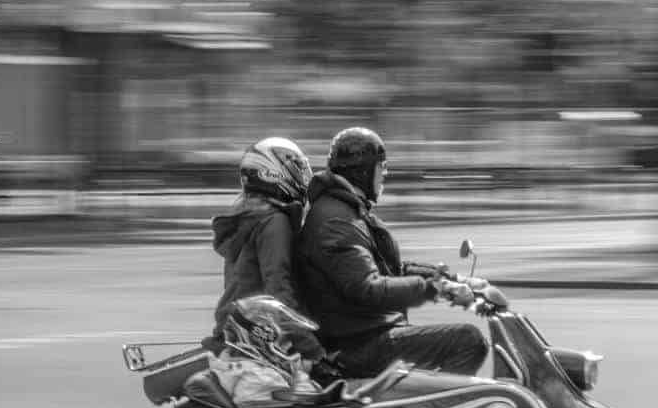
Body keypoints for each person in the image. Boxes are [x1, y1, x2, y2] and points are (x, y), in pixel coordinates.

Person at [295, 126, 488, 378]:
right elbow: (368, 288)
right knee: (468, 340)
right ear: (363, 171)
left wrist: (451, 280)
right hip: (357, 345)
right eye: (381, 166)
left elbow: (390, 269)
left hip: (365, 333)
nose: (384, 174)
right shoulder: (336, 221)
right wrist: (433, 289)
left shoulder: (346, 211)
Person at [205, 137, 325, 382]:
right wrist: (312, 350)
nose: (304, 178)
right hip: (258, 338)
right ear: (273, 173)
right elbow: (279, 291)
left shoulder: (247, 216)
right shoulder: (274, 223)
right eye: (298, 169)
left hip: (236, 332)